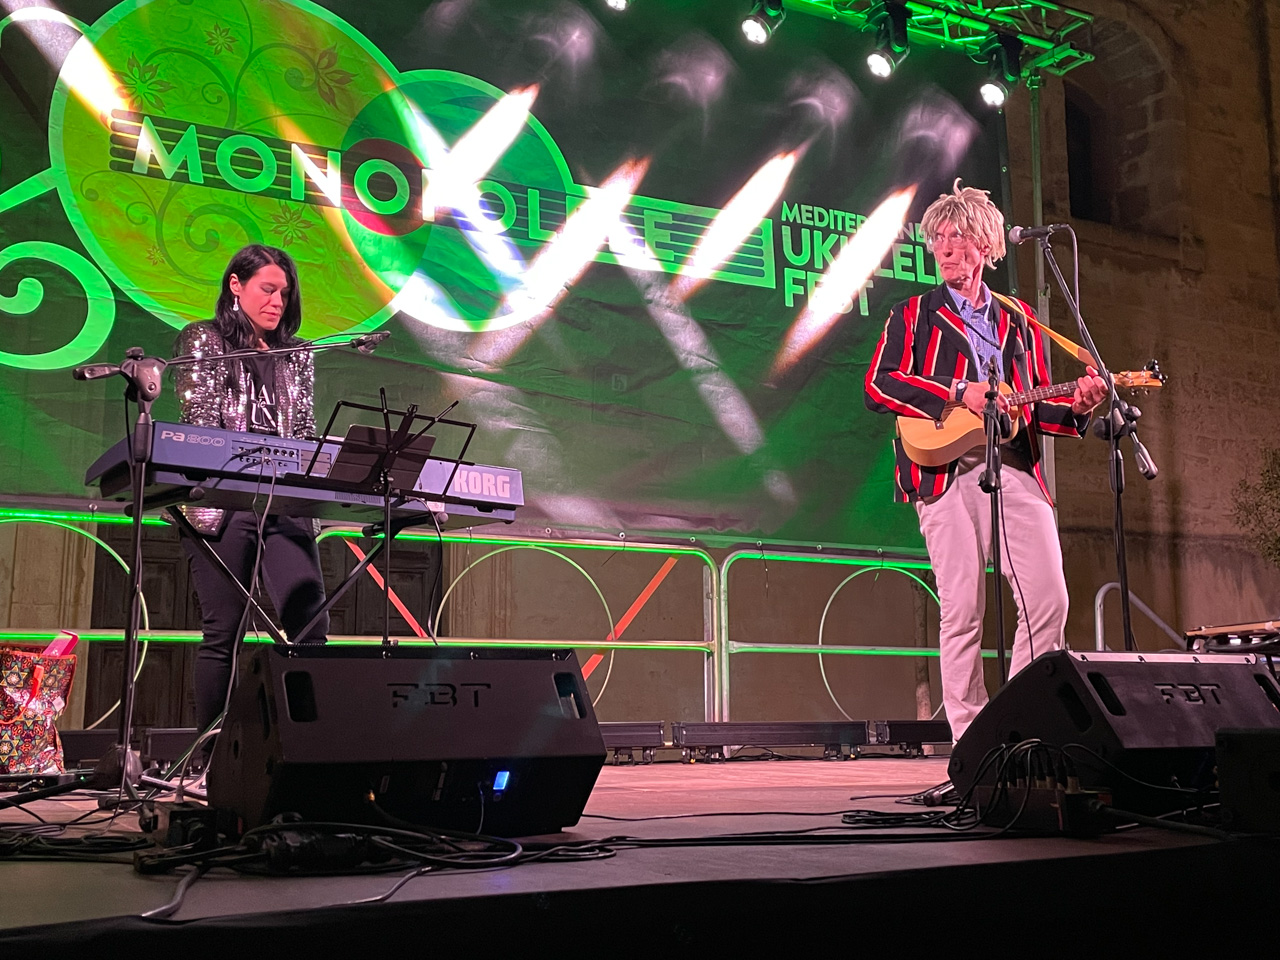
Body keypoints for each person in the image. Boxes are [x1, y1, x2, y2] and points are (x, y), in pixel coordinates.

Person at [863, 181, 1107, 742]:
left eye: (959, 237)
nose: (946, 248)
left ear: (987, 245)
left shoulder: (1019, 318)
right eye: (938, 239)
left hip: (1015, 465)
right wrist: (957, 391)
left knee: (1049, 600)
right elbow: (878, 385)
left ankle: (1019, 728)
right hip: (944, 473)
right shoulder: (913, 315)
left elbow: (1034, 403)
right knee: (963, 610)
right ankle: (972, 744)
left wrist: (1079, 404)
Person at [171, 244, 329, 735]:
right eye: (268, 289)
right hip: (225, 503)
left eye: (285, 293)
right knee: (224, 631)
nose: (278, 301)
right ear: (236, 285)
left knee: (310, 625)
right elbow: (200, 424)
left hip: (284, 503)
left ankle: (307, 746)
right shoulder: (205, 338)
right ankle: (211, 754)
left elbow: (303, 432)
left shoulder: (296, 353)